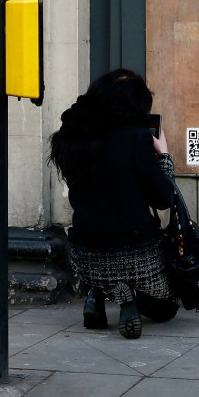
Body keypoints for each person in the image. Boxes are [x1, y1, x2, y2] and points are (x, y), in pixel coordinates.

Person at [49, 69, 179, 339]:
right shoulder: (135, 139)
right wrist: (164, 156)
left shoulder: (71, 139)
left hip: (84, 253)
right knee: (166, 308)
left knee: (103, 270)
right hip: (135, 250)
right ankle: (127, 297)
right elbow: (163, 199)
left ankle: (96, 293)